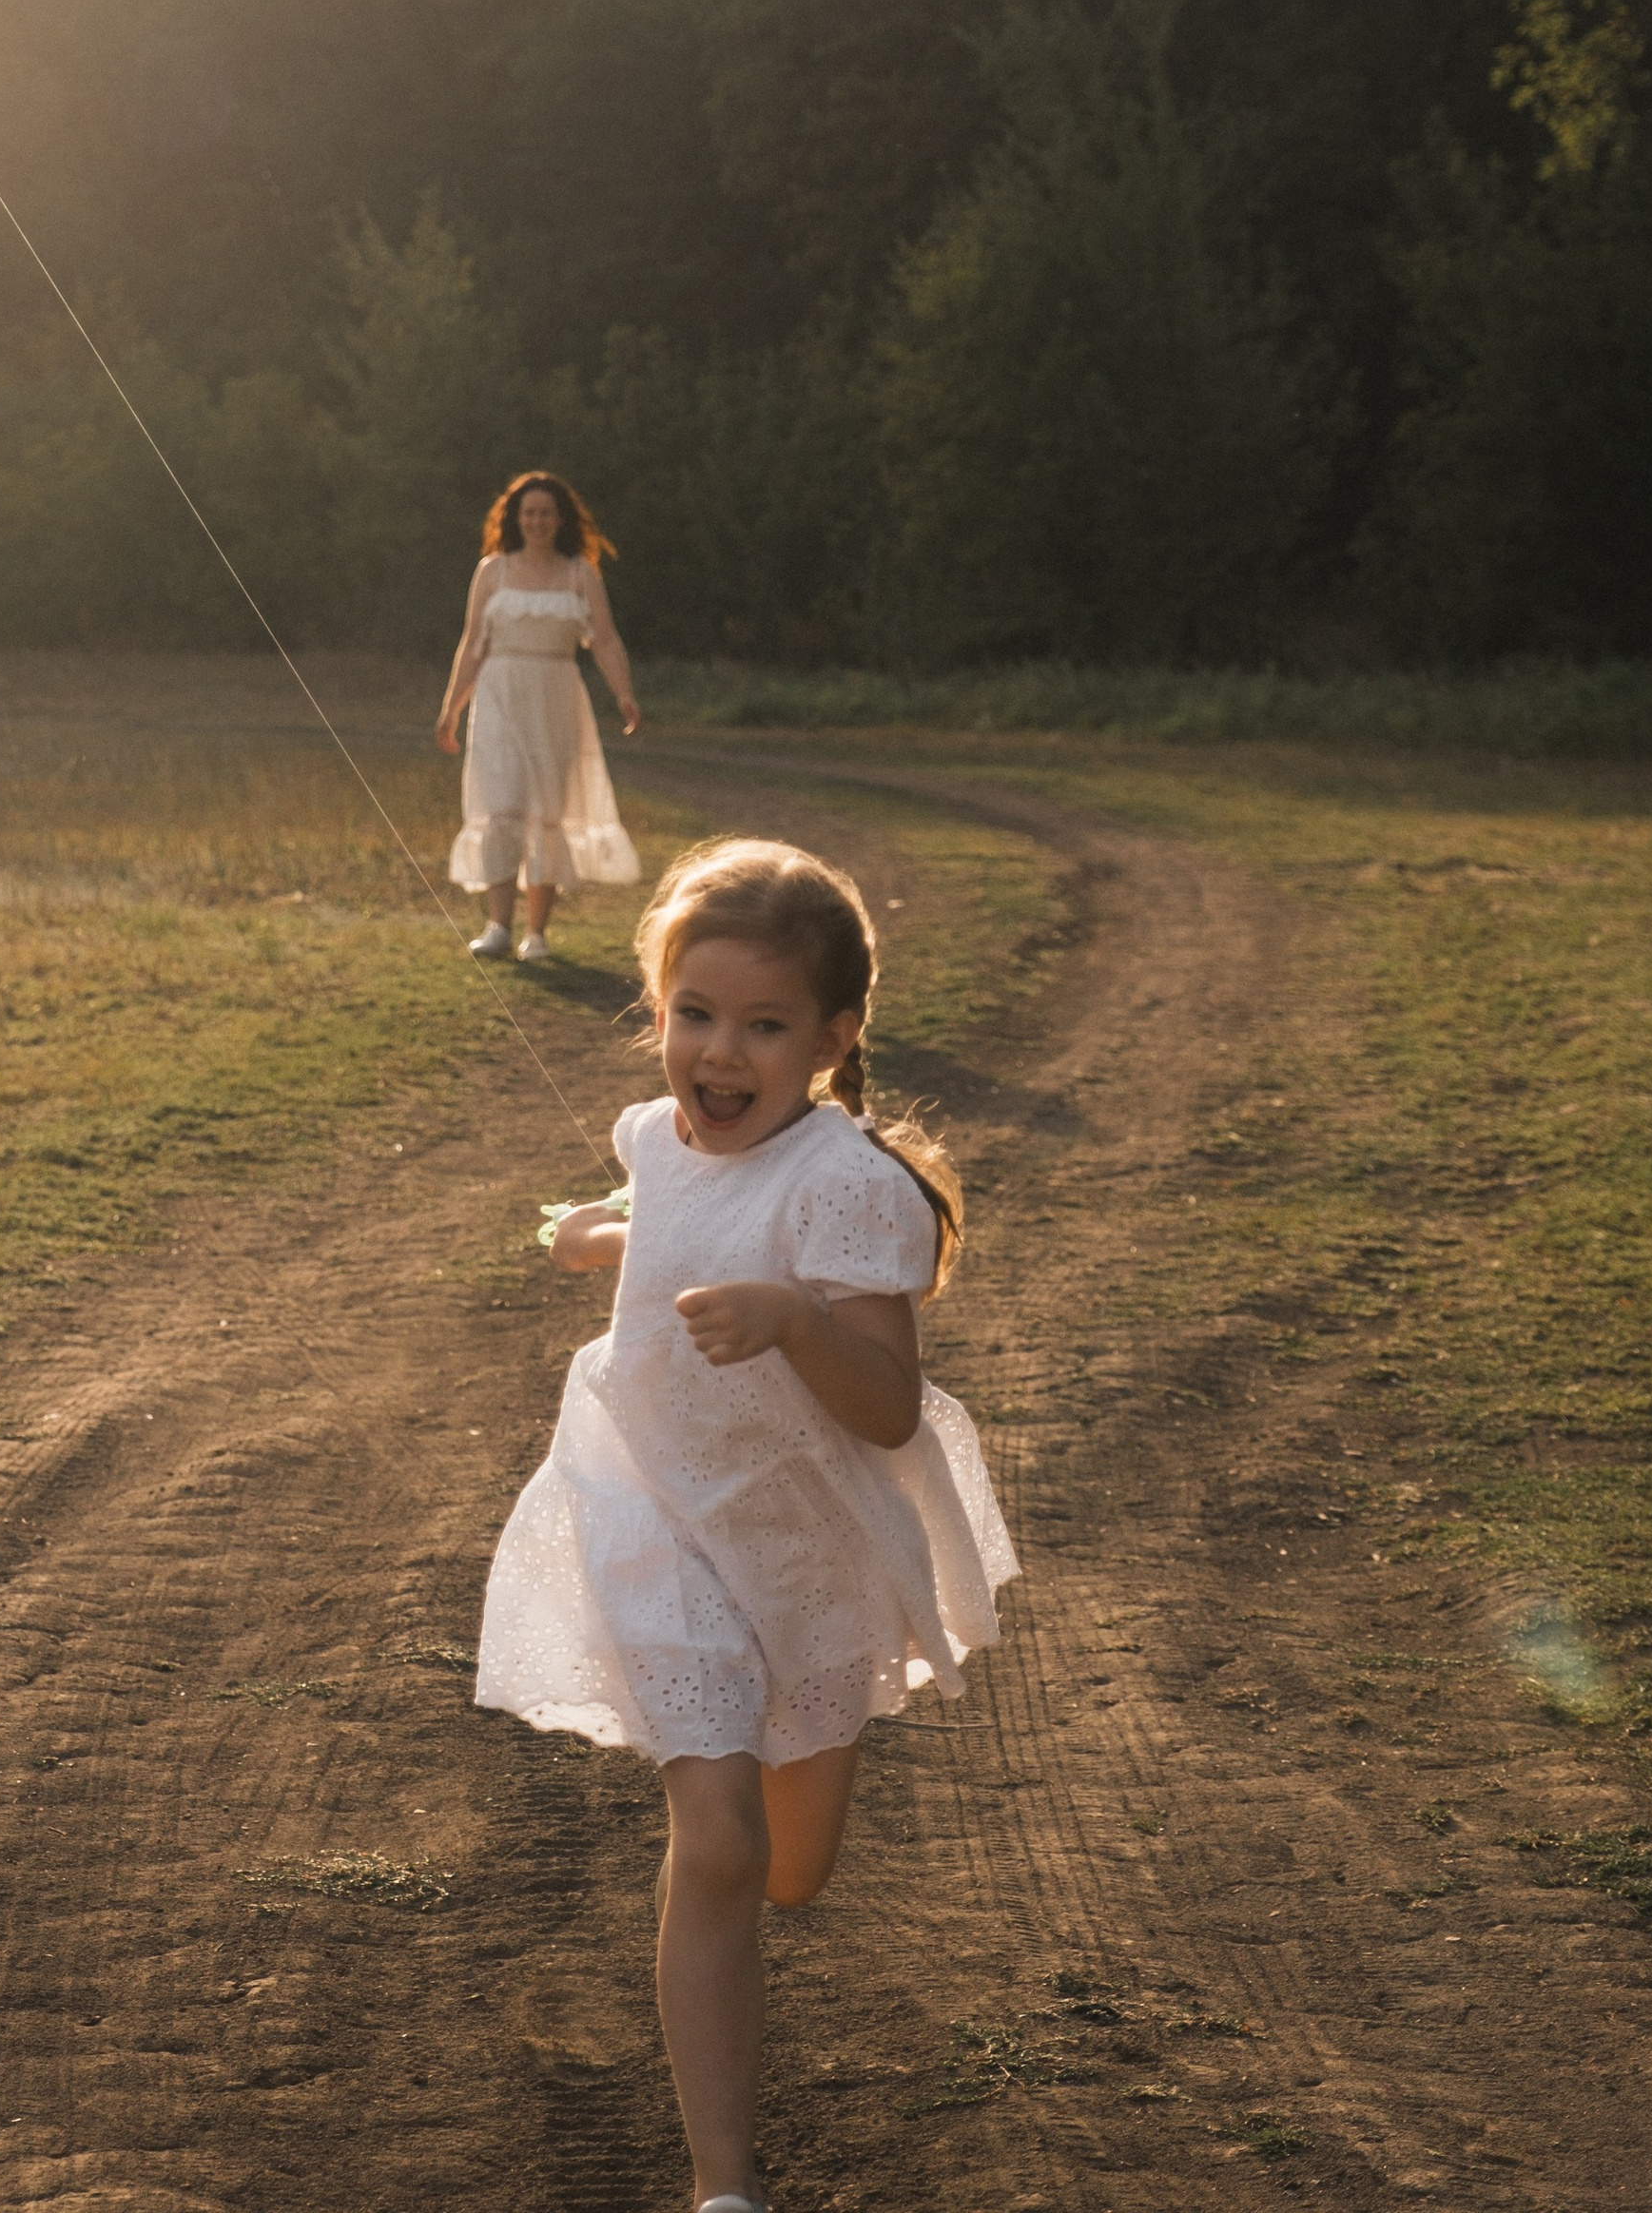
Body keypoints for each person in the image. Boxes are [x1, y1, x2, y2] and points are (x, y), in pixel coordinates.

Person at [476, 837, 1018, 2213]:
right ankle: (727, 2187)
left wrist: (788, 1320)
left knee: (789, 1870)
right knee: (715, 1836)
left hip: (804, 1537)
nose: (719, 1051)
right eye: (692, 1015)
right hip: (650, 1499)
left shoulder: (849, 1188)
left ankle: (769, 1860)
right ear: (657, 1014)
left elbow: (889, 1408)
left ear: (832, 1043)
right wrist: (589, 1232)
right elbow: (659, 1208)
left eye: (764, 1025)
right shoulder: (656, 1137)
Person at [436, 470, 641, 962]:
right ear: (515, 518)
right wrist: (451, 708)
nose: (537, 521)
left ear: (561, 519)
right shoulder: (492, 571)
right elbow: (472, 643)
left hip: (556, 695)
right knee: (501, 805)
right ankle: (497, 926)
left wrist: (624, 694)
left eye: (546, 512)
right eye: (529, 512)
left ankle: (537, 934)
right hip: (499, 695)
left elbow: (606, 639)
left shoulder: (579, 574)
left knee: (548, 808)